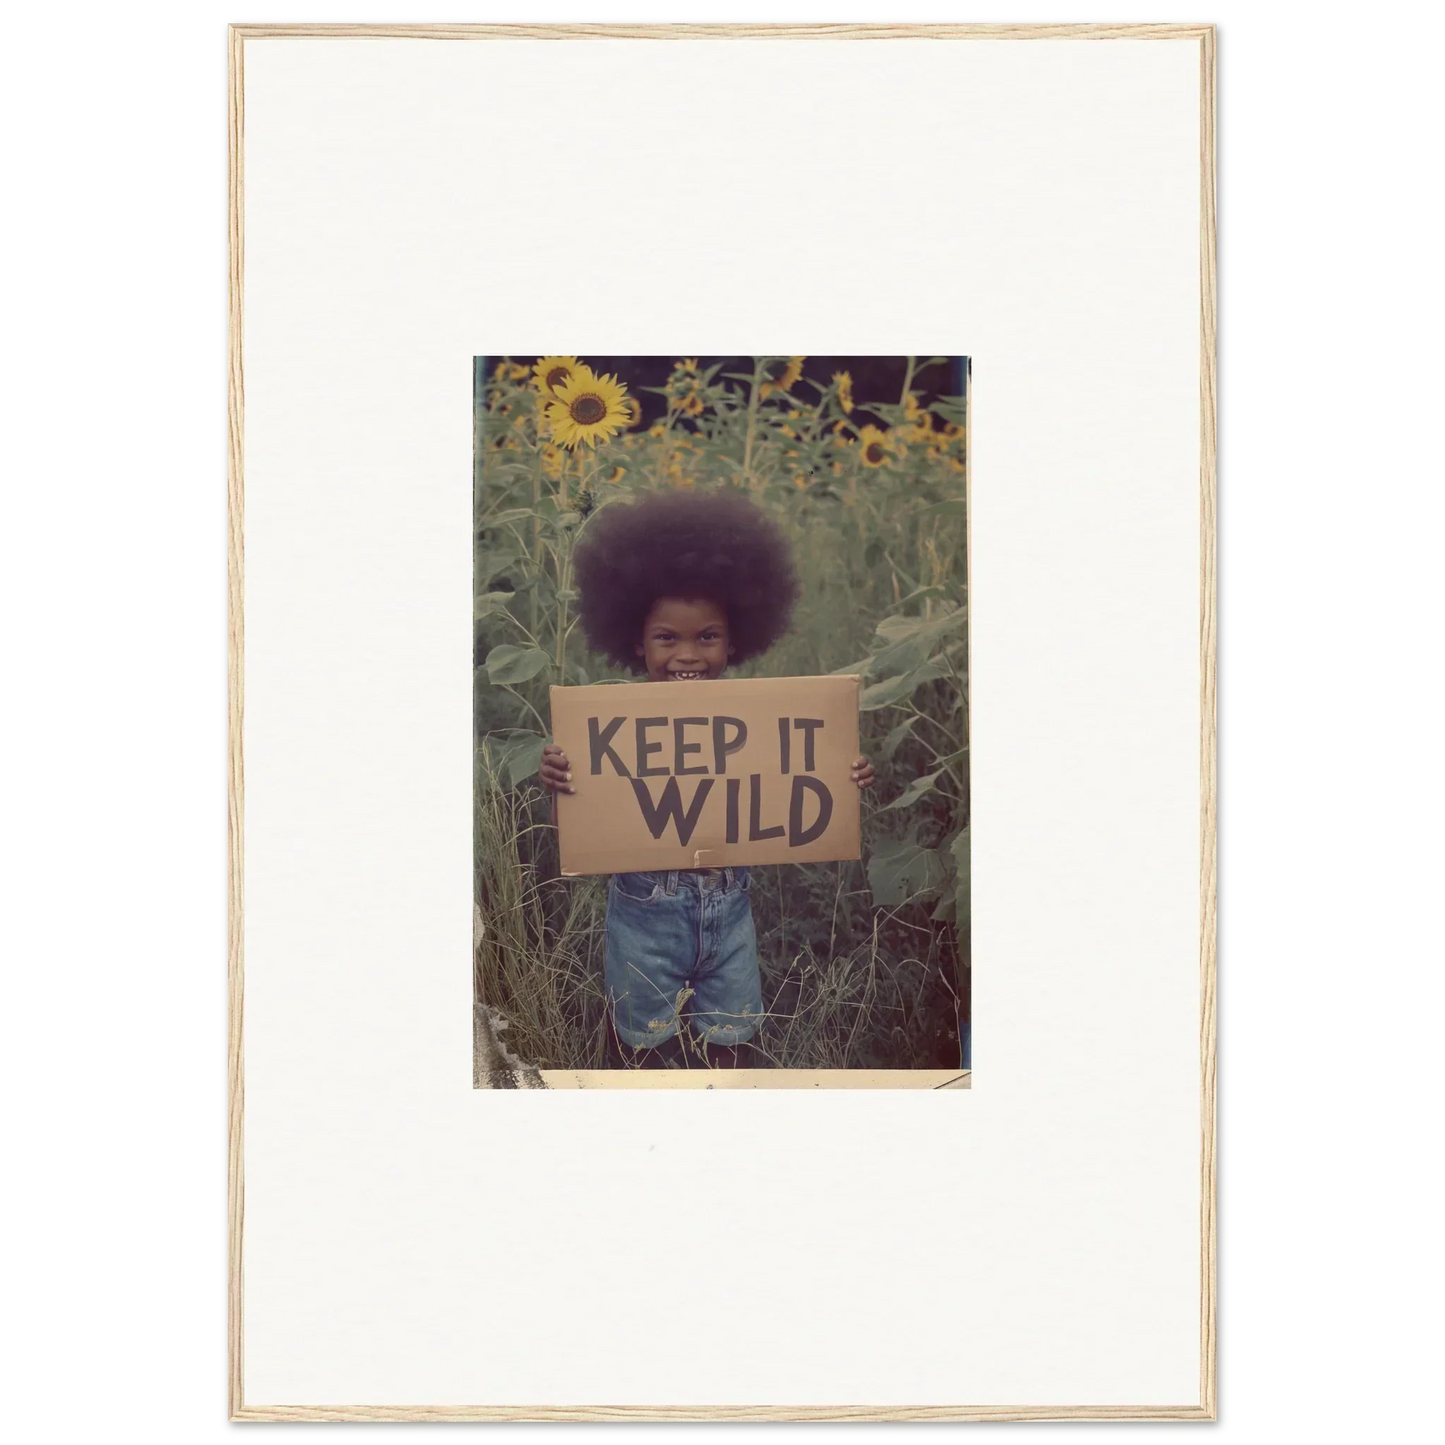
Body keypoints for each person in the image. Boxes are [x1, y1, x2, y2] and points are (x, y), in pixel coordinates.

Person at [539, 487, 875, 1070]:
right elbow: (581, 825)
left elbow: (800, 776)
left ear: (737, 637)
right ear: (635, 640)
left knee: (736, 1041)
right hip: (644, 919)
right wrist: (561, 781)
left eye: (707, 637)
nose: (687, 655)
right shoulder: (609, 727)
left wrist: (842, 776)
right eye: (667, 638)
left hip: (731, 915)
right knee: (643, 1048)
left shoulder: (758, 719)